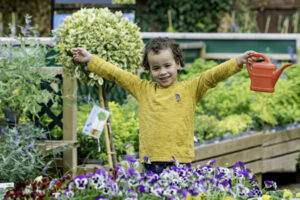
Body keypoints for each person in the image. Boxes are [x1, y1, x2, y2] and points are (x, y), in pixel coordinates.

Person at [72, 37, 256, 174]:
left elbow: (212, 76)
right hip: (150, 162)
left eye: (167, 65)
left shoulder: (190, 89)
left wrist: (237, 61)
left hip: (180, 163)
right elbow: (117, 74)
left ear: (178, 64)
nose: (163, 72)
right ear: (149, 69)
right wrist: (91, 59)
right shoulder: (143, 89)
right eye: (156, 68)